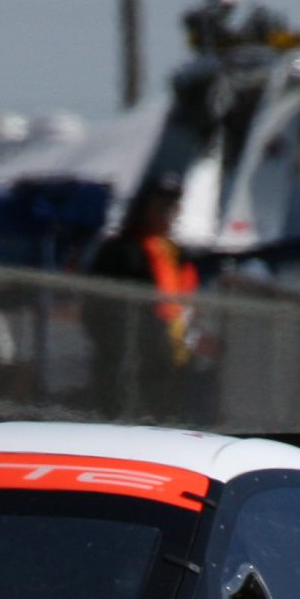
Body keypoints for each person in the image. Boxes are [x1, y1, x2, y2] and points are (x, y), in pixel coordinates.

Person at [84, 171, 207, 422]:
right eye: (159, 203)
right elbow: (97, 306)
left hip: (171, 356)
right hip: (129, 359)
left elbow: (188, 303)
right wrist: (117, 347)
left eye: (172, 204)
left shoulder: (178, 254)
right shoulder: (121, 250)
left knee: (171, 419)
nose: (166, 211)